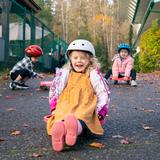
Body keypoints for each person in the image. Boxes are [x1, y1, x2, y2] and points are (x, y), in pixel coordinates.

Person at [45, 39, 110, 152]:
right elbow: (55, 89)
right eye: (75, 58)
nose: (79, 61)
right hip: (66, 104)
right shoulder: (65, 73)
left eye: (83, 58)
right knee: (61, 116)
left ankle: (72, 129)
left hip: (85, 105)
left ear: (90, 60)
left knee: (82, 117)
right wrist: (54, 107)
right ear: (70, 59)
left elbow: (103, 92)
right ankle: (61, 131)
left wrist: (100, 111)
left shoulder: (93, 74)